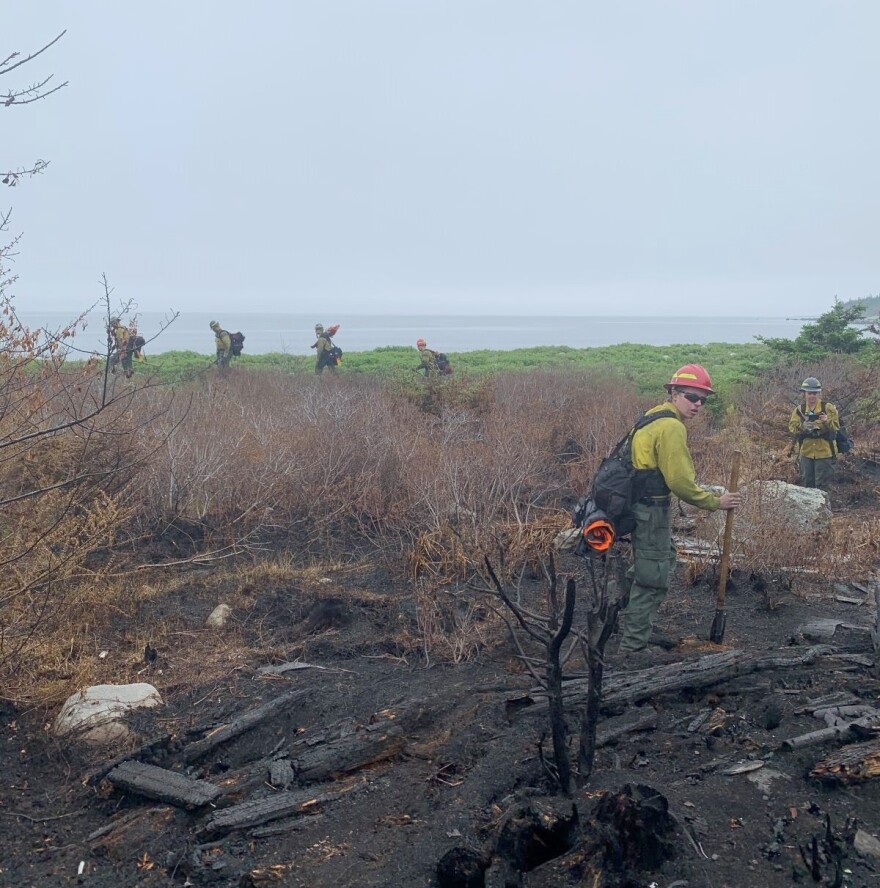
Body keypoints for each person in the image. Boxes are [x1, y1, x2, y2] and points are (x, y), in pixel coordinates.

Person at [618, 364, 741, 655]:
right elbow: (680, 482)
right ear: (673, 393)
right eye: (691, 397)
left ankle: (627, 622)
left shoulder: (652, 415)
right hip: (651, 511)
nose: (697, 404)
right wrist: (715, 502)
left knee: (658, 561)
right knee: (653, 578)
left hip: (638, 508)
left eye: (703, 399)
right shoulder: (671, 426)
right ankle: (631, 648)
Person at [788, 377, 839, 491]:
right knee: (807, 484)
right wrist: (803, 426)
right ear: (804, 393)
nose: (812, 396)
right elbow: (792, 427)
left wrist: (826, 421)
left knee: (822, 486)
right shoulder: (799, 410)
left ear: (819, 393)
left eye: (814, 393)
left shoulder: (828, 408)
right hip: (806, 452)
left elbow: (836, 426)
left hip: (824, 452)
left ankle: (824, 508)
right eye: (809, 393)